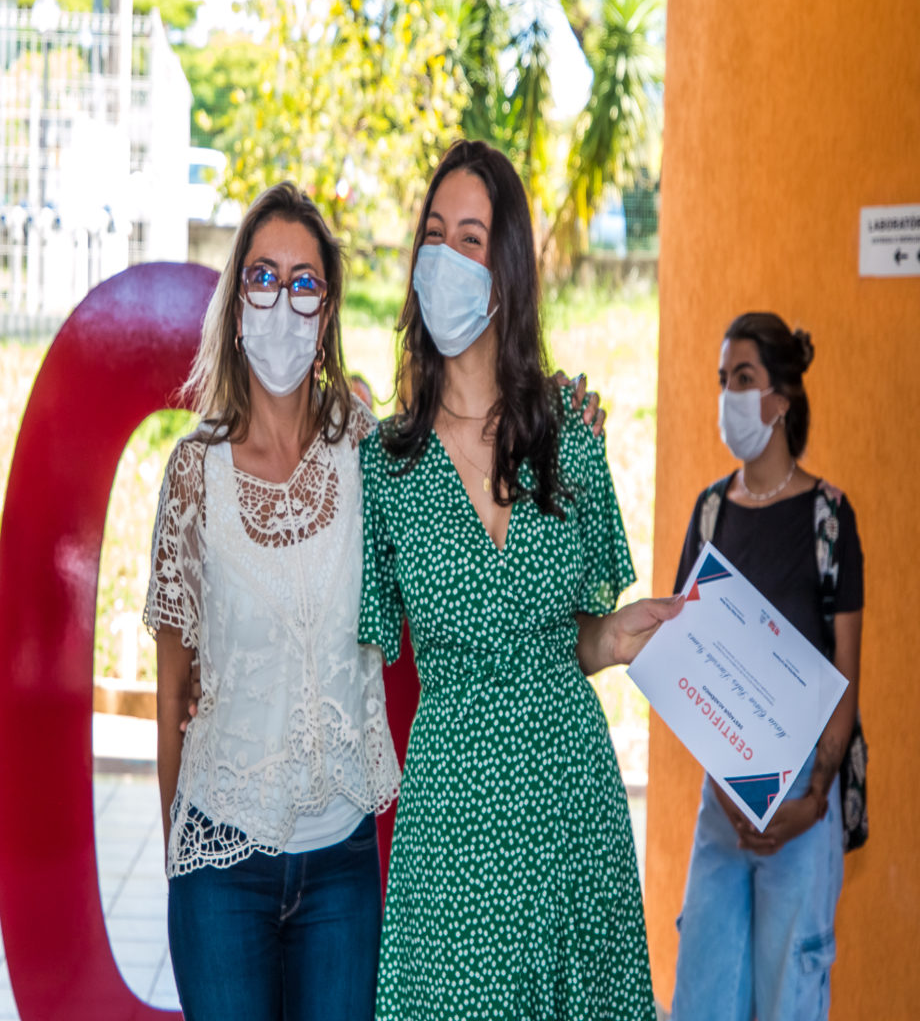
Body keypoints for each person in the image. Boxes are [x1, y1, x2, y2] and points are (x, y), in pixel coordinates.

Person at [357, 138, 683, 1019]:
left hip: (569, 798)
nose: (445, 257)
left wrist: (612, 640)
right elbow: (359, 646)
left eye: (471, 237)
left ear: (505, 270)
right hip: (454, 814)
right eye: (433, 234)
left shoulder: (569, 431)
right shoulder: (384, 465)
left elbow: (568, 638)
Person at [143, 181, 403, 1021]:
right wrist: (183, 852)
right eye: (262, 277)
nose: (281, 304)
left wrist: (563, 416)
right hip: (221, 868)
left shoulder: (368, 453)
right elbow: (173, 689)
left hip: (341, 868)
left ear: (325, 313)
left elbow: (476, 489)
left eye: (303, 283)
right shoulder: (194, 474)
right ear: (236, 299)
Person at [669, 313, 863, 1021]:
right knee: (705, 994)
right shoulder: (712, 512)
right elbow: (683, 655)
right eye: (723, 380)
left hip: (803, 807)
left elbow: (846, 673)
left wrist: (812, 798)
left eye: (743, 379)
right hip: (722, 799)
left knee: (790, 996)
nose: (729, 396)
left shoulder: (830, 520)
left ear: (780, 400)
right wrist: (727, 786)